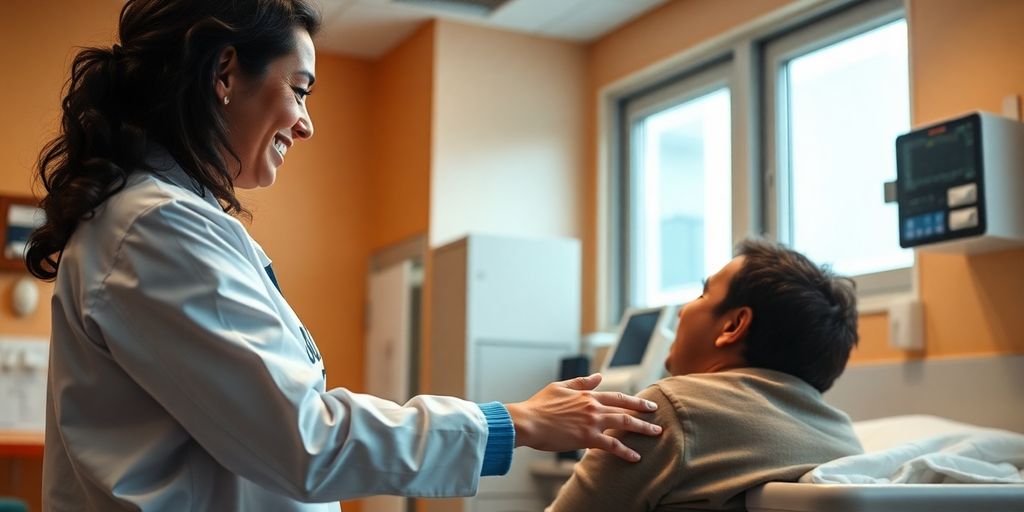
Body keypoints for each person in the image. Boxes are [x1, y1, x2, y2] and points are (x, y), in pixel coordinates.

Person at [26, 1, 663, 511]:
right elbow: (305, 441)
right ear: (224, 73)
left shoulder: (157, 220)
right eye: (299, 90)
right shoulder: (158, 228)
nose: (306, 124)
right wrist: (513, 423)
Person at [546, 239, 865, 511]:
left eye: (702, 294)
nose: (684, 310)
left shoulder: (667, 409)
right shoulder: (845, 439)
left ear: (732, 326)